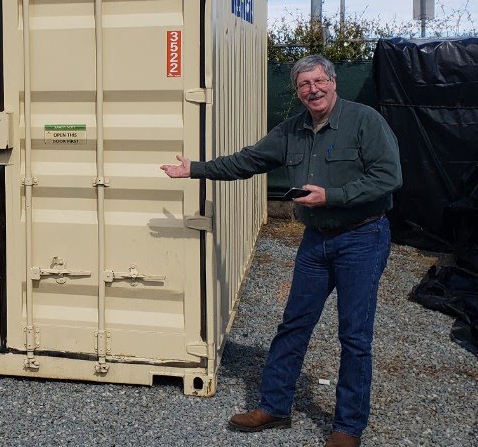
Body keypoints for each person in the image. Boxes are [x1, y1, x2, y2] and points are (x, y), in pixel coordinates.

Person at [160, 55, 401, 447]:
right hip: (315, 241)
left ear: (333, 82)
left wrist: (334, 196)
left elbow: (389, 176)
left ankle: (347, 428)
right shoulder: (291, 130)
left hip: (362, 237)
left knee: (354, 335)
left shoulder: (365, 121)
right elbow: (249, 161)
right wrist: (196, 169)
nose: (313, 90)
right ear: (298, 91)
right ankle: (274, 406)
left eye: (319, 81)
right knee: (294, 324)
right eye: (304, 84)